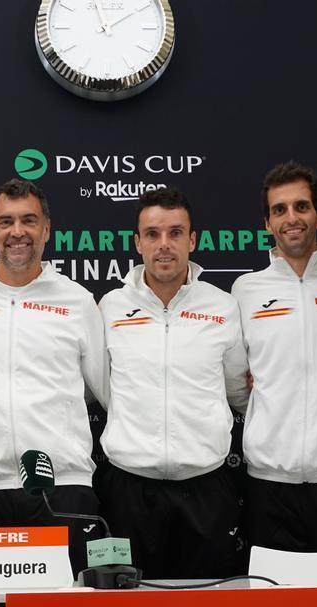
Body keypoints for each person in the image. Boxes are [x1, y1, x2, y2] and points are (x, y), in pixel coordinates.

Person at [0, 179, 107, 572]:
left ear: (46, 230)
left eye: (29, 221)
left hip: (63, 489)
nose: (17, 232)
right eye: (6, 221)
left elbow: (102, 388)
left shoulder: (77, 301)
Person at [97, 187, 249, 578]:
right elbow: (98, 386)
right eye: (153, 234)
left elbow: (235, 388)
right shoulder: (109, 307)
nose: (164, 245)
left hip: (207, 489)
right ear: (138, 242)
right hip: (128, 491)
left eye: (175, 233)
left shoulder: (222, 306)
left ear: (192, 240)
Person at [231, 162, 317, 552]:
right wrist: (262, 412)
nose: (291, 218)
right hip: (268, 481)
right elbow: (236, 380)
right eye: (280, 210)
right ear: (267, 223)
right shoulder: (245, 290)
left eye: (301, 207)